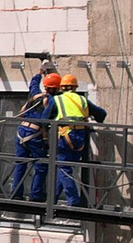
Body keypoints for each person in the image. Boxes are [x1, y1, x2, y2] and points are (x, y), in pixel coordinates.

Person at [40, 71, 105, 206]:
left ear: (61, 87)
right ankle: (52, 199)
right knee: (65, 168)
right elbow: (102, 114)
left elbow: (43, 120)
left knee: (64, 168)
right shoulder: (82, 99)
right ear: (75, 87)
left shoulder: (56, 100)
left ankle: (73, 200)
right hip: (80, 139)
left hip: (65, 136)